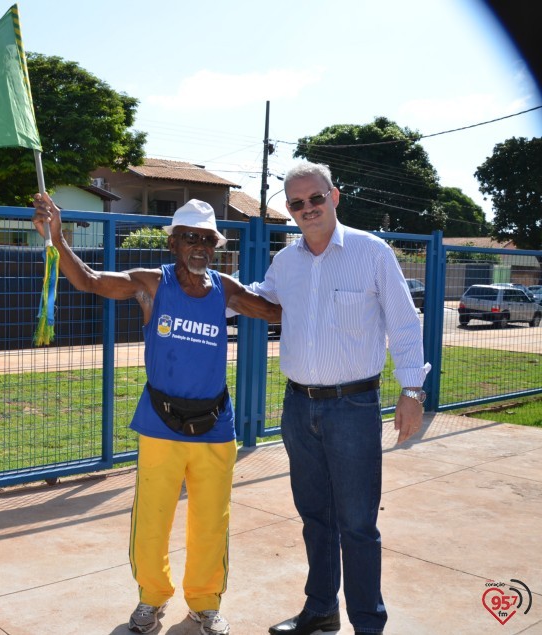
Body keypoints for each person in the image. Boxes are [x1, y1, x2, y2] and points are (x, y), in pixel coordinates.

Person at [32, 193, 280, 635]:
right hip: (161, 424)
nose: (199, 246)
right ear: (173, 243)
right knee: (152, 521)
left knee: (211, 522)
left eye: (207, 239)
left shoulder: (225, 289)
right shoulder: (152, 284)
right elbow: (89, 280)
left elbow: (276, 312)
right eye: (189, 237)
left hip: (215, 426)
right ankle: (151, 599)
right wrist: (58, 240)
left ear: (217, 246)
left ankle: (205, 604)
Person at [248, 161, 429, 635]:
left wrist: (412, 390)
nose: (307, 208)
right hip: (298, 406)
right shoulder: (285, 261)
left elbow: (405, 324)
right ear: (288, 210)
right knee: (315, 518)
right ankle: (321, 609)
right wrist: (198, 286)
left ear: (335, 197)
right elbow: (258, 298)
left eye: (315, 198)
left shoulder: (371, 252)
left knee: (357, 525)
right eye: (296, 203)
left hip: (353, 408)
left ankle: (368, 623)